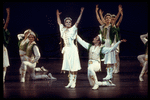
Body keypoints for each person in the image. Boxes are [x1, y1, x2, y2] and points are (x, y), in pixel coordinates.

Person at [56, 7, 84, 88]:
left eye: (69, 22)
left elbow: (77, 22)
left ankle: (74, 81)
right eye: (66, 22)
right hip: (67, 50)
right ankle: (70, 81)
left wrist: (81, 13)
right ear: (65, 23)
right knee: (68, 66)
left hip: (72, 49)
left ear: (71, 23)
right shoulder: (63, 29)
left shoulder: (73, 29)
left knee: (73, 66)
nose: (68, 23)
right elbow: (59, 22)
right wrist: (57, 15)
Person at [96, 5, 120, 80]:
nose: (107, 19)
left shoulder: (111, 25)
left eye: (109, 18)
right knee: (107, 61)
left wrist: (119, 12)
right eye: (106, 18)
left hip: (110, 44)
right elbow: (99, 19)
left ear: (110, 19)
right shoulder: (103, 26)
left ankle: (109, 74)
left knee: (110, 60)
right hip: (105, 44)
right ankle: (109, 74)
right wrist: (96, 12)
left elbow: (115, 20)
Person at [3, 8, 10, 83]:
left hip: (3, 47)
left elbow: (7, 23)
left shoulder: (3, 29)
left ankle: (3, 77)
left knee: (4, 63)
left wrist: (8, 13)